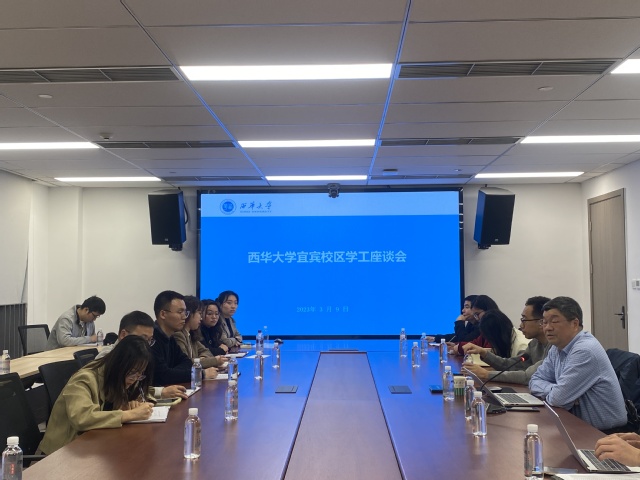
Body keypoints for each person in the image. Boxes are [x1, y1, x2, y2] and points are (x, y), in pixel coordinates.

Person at [38, 335, 154, 454]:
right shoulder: (84, 379)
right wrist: (130, 414)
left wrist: (130, 405)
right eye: (132, 373)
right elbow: (82, 418)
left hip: (91, 445)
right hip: (63, 453)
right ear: (118, 365)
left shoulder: (117, 379)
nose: (134, 379)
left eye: (139, 375)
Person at [529, 296, 627, 432]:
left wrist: (558, 393)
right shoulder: (557, 348)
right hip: (577, 425)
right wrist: (556, 390)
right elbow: (534, 380)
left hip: (605, 433)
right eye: (544, 322)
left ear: (575, 324)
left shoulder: (585, 350)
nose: (547, 328)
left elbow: (557, 399)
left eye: (554, 321)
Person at [95, 310, 188, 400]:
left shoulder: (139, 358)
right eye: (142, 339)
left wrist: (161, 392)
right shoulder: (107, 358)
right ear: (123, 335)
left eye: (150, 340)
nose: (146, 345)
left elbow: (137, 389)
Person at [463, 296, 550, 384]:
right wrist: (484, 353)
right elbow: (511, 365)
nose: (521, 325)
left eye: (524, 319)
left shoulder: (553, 348)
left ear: (541, 322)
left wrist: (486, 374)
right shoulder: (534, 343)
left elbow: (527, 376)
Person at [150, 290, 217, 385]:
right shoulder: (151, 339)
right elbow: (163, 375)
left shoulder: (170, 338)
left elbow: (187, 362)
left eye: (185, 312)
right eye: (180, 312)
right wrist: (201, 374)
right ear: (163, 314)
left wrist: (173, 372)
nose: (184, 317)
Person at [174, 296, 225, 368]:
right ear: (190, 314)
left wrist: (201, 360)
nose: (201, 318)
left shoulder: (192, 334)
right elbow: (186, 362)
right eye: (200, 313)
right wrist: (214, 361)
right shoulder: (179, 335)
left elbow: (207, 352)